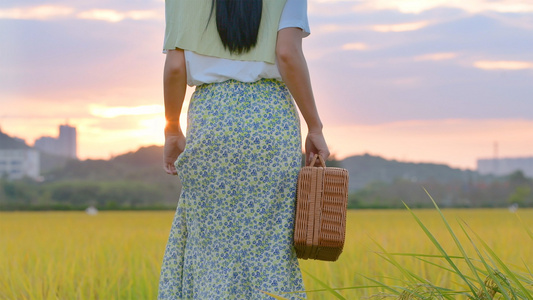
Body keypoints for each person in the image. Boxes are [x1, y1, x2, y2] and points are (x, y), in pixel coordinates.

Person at [158, 0, 329, 299]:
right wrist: (314, 127)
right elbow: (287, 54)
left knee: (209, 247)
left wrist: (171, 128)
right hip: (270, 121)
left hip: (212, 118)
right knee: (271, 245)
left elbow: (175, 67)